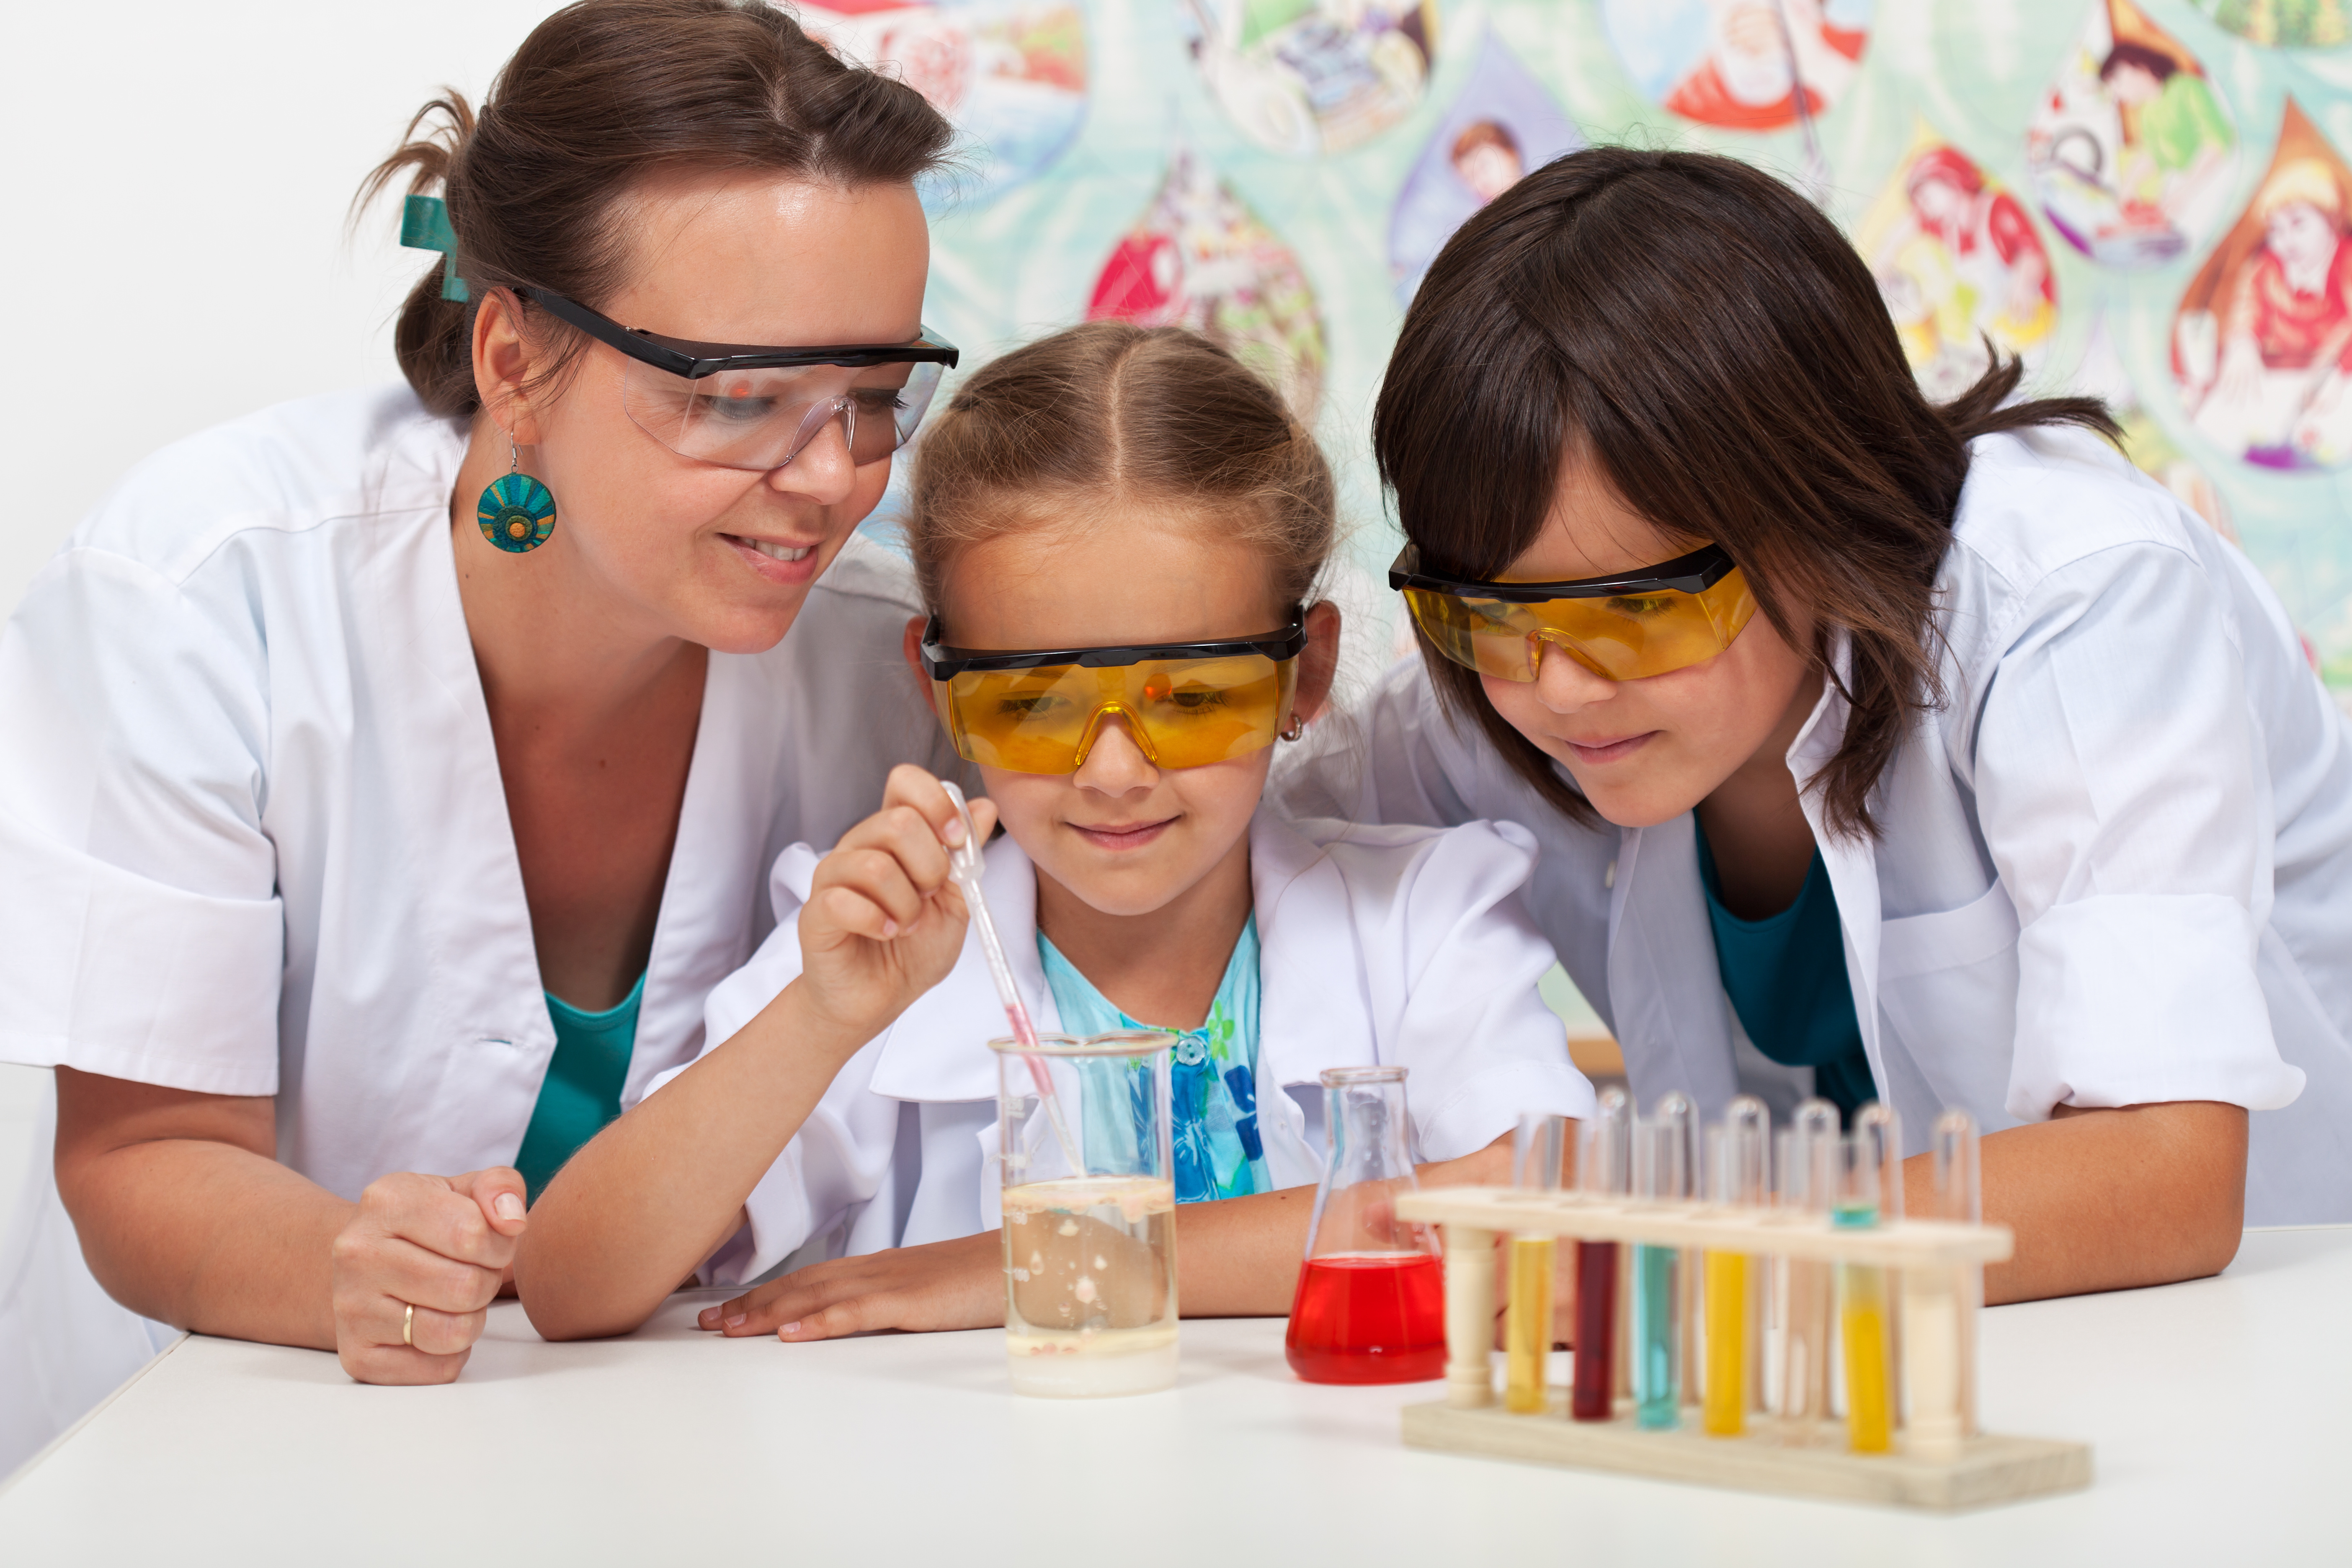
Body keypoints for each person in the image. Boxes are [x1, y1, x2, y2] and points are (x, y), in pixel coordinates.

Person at [0, 0, 963, 1462]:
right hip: (233, 1448)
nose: (834, 480)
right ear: (516, 360)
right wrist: (347, 1270)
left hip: (685, 1460)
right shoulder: (203, 593)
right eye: (747, 397)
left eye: (877, 398)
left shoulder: (889, 666)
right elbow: (142, 1160)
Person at [1280, 147, 2352, 1306]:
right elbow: (1211, 841)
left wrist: (1642, 1252)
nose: (1560, 690)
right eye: (1491, 610)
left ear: (1809, 507)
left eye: (1638, 610)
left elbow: (2161, 1177)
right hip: (1868, 1361)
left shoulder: (2070, 593)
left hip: (2274, 1331)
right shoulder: (1488, 692)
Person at [511, 322, 1596, 1342]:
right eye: (1031, 703)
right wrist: (822, 1017)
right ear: (939, 693)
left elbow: (1562, 1222)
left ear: (1304, 671)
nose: (1114, 772)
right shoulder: (873, 957)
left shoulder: (1422, 921)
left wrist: (1011, 1265)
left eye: (1191, 697)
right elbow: (569, 1283)